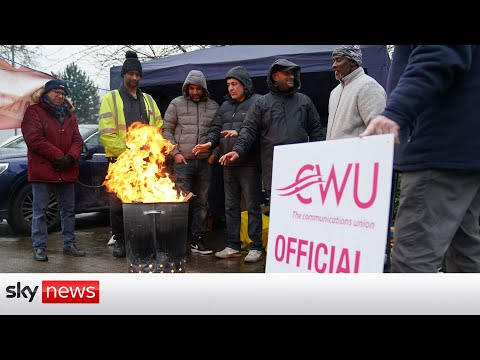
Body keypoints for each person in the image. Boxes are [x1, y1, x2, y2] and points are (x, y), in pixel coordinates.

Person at [360, 45, 480, 273]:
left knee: (412, 260)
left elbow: (438, 52)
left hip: (439, 150)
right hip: (462, 150)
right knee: (465, 252)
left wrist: (396, 112)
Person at [220, 58, 324, 204]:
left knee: (302, 214)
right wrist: (237, 151)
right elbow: (248, 129)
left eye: (292, 73)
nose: (291, 76)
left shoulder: (304, 101)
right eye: (286, 73)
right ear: (275, 76)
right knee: (279, 214)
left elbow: (316, 131)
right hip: (274, 170)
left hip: (302, 171)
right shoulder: (262, 103)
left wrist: (318, 159)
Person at [192, 66, 263, 262]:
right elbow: (216, 128)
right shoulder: (224, 107)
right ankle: (233, 245)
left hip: (249, 163)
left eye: (234, 84)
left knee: (252, 205)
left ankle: (255, 246)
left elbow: (258, 128)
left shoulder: (258, 102)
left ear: (244, 84)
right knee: (230, 206)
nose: (231, 88)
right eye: (228, 85)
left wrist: (239, 134)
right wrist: (209, 142)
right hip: (227, 163)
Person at [98, 50, 163, 258]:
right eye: (130, 74)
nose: (134, 78)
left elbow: (158, 127)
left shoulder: (149, 100)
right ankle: (119, 240)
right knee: (118, 205)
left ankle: (140, 240)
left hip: (144, 163)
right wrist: (128, 152)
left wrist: (150, 149)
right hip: (120, 162)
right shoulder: (111, 98)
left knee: (142, 203)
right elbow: (106, 133)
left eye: (137, 74)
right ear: (123, 75)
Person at [21, 79, 86, 261]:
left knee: (68, 211)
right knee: (40, 211)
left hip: (66, 170)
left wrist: (70, 157)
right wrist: (59, 156)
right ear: (46, 93)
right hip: (43, 171)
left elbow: (78, 140)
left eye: (63, 94)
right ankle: (39, 247)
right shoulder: (34, 112)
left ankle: (69, 244)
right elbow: (34, 139)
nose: (60, 96)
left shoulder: (70, 115)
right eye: (56, 92)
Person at [162, 70, 219, 255]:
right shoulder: (176, 104)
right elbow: (166, 130)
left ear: (204, 89)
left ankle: (197, 241)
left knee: (202, 203)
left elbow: (219, 133)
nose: (195, 92)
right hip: (182, 162)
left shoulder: (213, 106)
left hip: (204, 163)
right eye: (191, 88)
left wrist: (214, 154)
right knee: (180, 202)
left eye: (198, 89)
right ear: (186, 88)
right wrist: (175, 153)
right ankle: (175, 241)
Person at [326, 45, 386, 140]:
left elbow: (379, 131)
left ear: (353, 62)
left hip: (359, 154)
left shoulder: (368, 87)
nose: (334, 65)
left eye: (338, 60)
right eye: (333, 60)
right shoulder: (334, 92)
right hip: (334, 154)